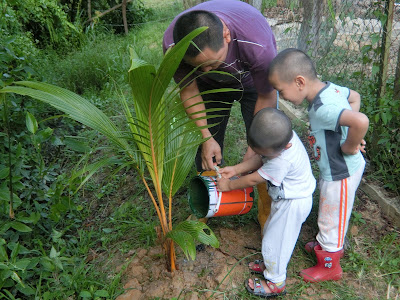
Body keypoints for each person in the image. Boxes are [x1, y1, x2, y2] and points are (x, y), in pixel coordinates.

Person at [163, 0, 278, 230]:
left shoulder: (257, 45)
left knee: (266, 146)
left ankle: (267, 211)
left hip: (252, 83)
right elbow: (189, 90)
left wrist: (255, 146)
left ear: (226, 35)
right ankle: (207, 205)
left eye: (213, 63)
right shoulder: (174, 45)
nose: (207, 70)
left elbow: (267, 96)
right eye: (199, 67)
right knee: (206, 151)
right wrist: (206, 137)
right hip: (210, 89)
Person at [268, 48, 369, 283]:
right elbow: (354, 97)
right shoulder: (331, 89)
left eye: (282, 91)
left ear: (299, 82)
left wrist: (350, 145)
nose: (282, 98)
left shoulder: (323, 108)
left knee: (331, 217)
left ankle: (330, 263)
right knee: (328, 210)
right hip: (332, 169)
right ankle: (325, 244)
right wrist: (347, 134)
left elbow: (360, 120)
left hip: (340, 172)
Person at [216, 108, 316, 298]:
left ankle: (276, 282)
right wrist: (235, 168)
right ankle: (270, 265)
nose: (262, 156)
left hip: (293, 205)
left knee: (276, 242)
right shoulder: (282, 139)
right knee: (271, 232)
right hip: (287, 199)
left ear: (283, 147)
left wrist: (229, 185)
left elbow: (253, 179)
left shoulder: (281, 161)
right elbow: (261, 160)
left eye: (266, 154)